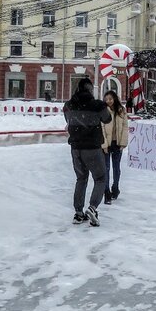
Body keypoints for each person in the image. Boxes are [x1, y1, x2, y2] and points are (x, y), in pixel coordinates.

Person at [63, 77, 111, 226]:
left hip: (75, 148)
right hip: (92, 148)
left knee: (81, 178)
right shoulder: (97, 105)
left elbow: (68, 119)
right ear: (90, 90)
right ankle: (92, 207)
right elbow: (107, 119)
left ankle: (78, 213)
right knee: (100, 178)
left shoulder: (69, 105)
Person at [102, 89, 129, 204]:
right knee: (106, 169)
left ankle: (115, 188)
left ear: (114, 99)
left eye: (110, 99)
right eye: (106, 99)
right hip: (106, 144)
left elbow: (125, 127)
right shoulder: (103, 111)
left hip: (117, 144)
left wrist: (123, 143)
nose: (108, 101)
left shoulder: (121, 110)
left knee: (116, 169)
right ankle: (106, 193)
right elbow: (101, 128)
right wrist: (104, 144)